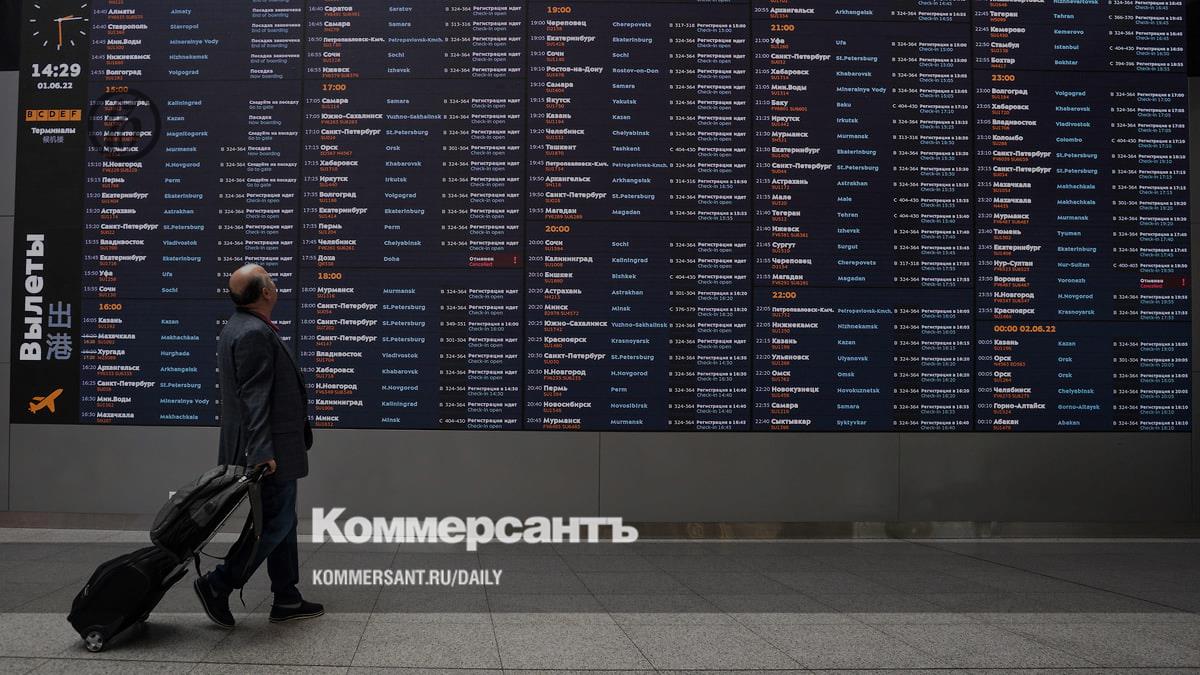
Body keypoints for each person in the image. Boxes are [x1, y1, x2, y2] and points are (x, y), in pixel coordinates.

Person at [193, 264, 324, 626]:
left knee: (281, 520)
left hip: (268, 446)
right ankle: (218, 584)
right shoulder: (253, 333)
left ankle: (286, 597)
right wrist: (263, 452)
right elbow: (254, 398)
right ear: (266, 293)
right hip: (269, 450)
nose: (275, 282)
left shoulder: (240, 326)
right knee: (276, 523)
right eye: (269, 278)